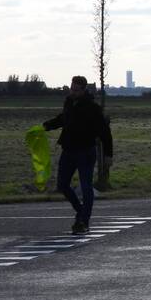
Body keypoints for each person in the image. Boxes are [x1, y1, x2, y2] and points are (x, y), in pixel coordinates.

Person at [43, 76, 114, 234]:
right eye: (71, 88)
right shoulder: (69, 102)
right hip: (68, 150)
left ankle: (83, 221)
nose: (72, 91)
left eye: (76, 89)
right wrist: (47, 126)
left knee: (86, 186)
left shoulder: (93, 108)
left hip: (85, 151)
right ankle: (80, 211)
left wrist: (108, 154)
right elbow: (64, 119)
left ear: (83, 90)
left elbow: (105, 132)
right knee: (62, 185)